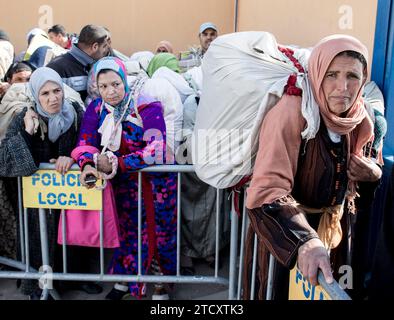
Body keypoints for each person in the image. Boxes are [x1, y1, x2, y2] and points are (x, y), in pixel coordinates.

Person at [243, 34, 383, 300]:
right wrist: (305, 240)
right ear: (317, 73)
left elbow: (361, 188)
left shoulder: (360, 119)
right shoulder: (294, 111)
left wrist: (372, 175)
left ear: (363, 79)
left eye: (352, 76)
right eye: (332, 74)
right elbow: (266, 190)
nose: (343, 86)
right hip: (286, 246)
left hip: (336, 237)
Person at [73, 57, 177, 300]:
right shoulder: (96, 109)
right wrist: (88, 163)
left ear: (125, 81)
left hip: (155, 187)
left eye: (116, 84)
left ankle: (160, 286)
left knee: (156, 234)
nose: (111, 92)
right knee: (126, 234)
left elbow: (157, 149)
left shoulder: (146, 106)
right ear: (96, 87)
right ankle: (124, 282)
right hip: (122, 186)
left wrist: (117, 163)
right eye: (104, 86)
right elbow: (85, 143)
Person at [0, 67, 84, 299]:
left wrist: (74, 157)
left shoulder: (75, 113)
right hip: (36, 201)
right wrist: (27, 131)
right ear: (35, 95)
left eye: (57, 91)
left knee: (71, 237)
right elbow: (7, 162)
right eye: (45, 93)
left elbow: (88, 142)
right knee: (38, 241)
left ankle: (73, 281)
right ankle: (36, 287)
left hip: (69, 196)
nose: (53, 98)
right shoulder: (24, 118)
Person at [47, 24, 111, 101]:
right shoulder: (56, 68)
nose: (107, 51)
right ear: (95, 47)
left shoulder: (98, 65)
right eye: (104, 46)